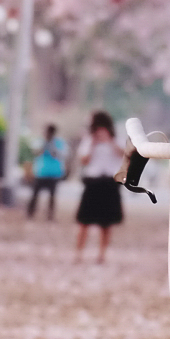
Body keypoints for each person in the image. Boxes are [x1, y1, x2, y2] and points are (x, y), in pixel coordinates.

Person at [75, 109, 124, 261]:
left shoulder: (117, 139)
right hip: (93, 182)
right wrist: (93, 143)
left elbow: (124, 154)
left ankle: (102, 254)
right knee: (84, 221)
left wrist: (109, 140)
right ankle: (79, 253)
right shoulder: (89, 140)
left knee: (106, 223)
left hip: (110, 181)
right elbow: (84, 160)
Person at [27, 122, 67, 221]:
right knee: (34, 195)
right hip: (40, 172)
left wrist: (52, 146)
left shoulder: (58, 143)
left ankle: (50, 215)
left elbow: (59, 155)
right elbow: (35, 152)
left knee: (52, 196)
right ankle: (30, 213)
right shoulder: (40, 141)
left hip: (53, 173)